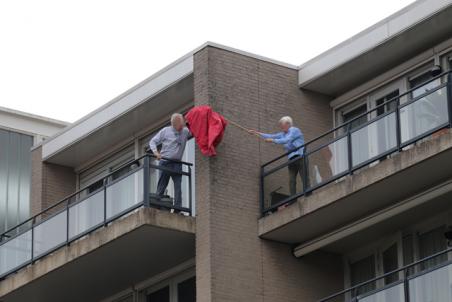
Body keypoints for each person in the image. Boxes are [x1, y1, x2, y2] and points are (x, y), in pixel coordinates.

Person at [249, 116, 306, 196]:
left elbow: (287, 140)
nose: (282, 128)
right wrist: (256, 133)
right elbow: (271, 136)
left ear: (288, 124)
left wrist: (273, 141)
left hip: (300, 156)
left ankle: (308, 193)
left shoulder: (294, 130)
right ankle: (293, 199)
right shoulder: (283, 134)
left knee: (304, 176)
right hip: (291, 159)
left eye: (283, 126)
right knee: (291, 180)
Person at [149, 113, 191, 212]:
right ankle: (157, 207)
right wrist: (156, 153)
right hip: (165, 161)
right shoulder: (165, 131)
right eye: (180, 126)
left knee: (178, 187)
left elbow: (194, 132)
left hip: (177, 163)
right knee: (162, 185)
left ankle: (177, 209)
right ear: (174, 124)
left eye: (182, 125)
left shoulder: (185, 131)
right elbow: (152, 142)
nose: (181, 127)